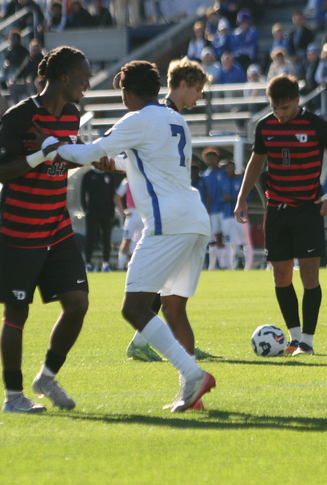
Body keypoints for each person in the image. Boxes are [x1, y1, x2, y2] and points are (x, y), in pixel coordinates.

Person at [48, 60, 216, 412]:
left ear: (127, 93)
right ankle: (191, 391)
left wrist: (52, 145)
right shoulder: (174, 119)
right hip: (194, 219)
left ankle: (194, 375)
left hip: (168, 224)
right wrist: (118, 162)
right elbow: (158, 164)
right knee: (173, 308)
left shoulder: (137, 119)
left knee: (134, 307)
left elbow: (87, 152)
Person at [0, 46, 93, 413]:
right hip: (21, 229)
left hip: (56, 225)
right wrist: (40, 156)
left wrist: (79, 156)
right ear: (63, 79)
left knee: (78, 303)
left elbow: (60, 162)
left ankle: (47, 376)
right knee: (17, 314)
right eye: (83, 77)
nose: (88, 83)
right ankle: (13, 397)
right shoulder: (19, 117)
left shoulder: (72, 115)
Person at [234, 75, 327, 355]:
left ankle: (308, 342)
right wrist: (242, 197)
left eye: (285, 108)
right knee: (280, 276)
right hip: (276, 210)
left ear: (297, 101)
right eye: (275, 107)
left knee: (310, 276)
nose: (280, 113)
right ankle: (294, 338)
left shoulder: (315, 125)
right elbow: (256, 162)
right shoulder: (265, 126)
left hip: (308, 209)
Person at [80, 167, 119, 271]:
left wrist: (112, 212)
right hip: (92, 212)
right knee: (90, 237)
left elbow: (112, 194)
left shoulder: (110, 175)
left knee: (106, 238)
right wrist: (85, 209)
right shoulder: (88, 175)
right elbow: (83, 193)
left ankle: (106, 263)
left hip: (106, 213)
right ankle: (87, 263)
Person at [202, 147, 231, 270]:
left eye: (213, 157)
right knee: (215, 237)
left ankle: (225, 264)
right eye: (208, 158)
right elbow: (206, 194)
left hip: (225, 210)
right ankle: (214, 265)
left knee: (226, 237)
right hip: (213, 209)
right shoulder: (205, 175)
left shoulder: (223, 172)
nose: (211, 160)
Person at [115, 178, 142, 271]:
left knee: (143, 241)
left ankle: (139, 266)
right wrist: (123, 212)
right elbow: (117, 197)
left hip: (144, 214)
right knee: (127, 240)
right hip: (132, 214)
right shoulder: (127, 181)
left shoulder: (147, 178)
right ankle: (120, 266)